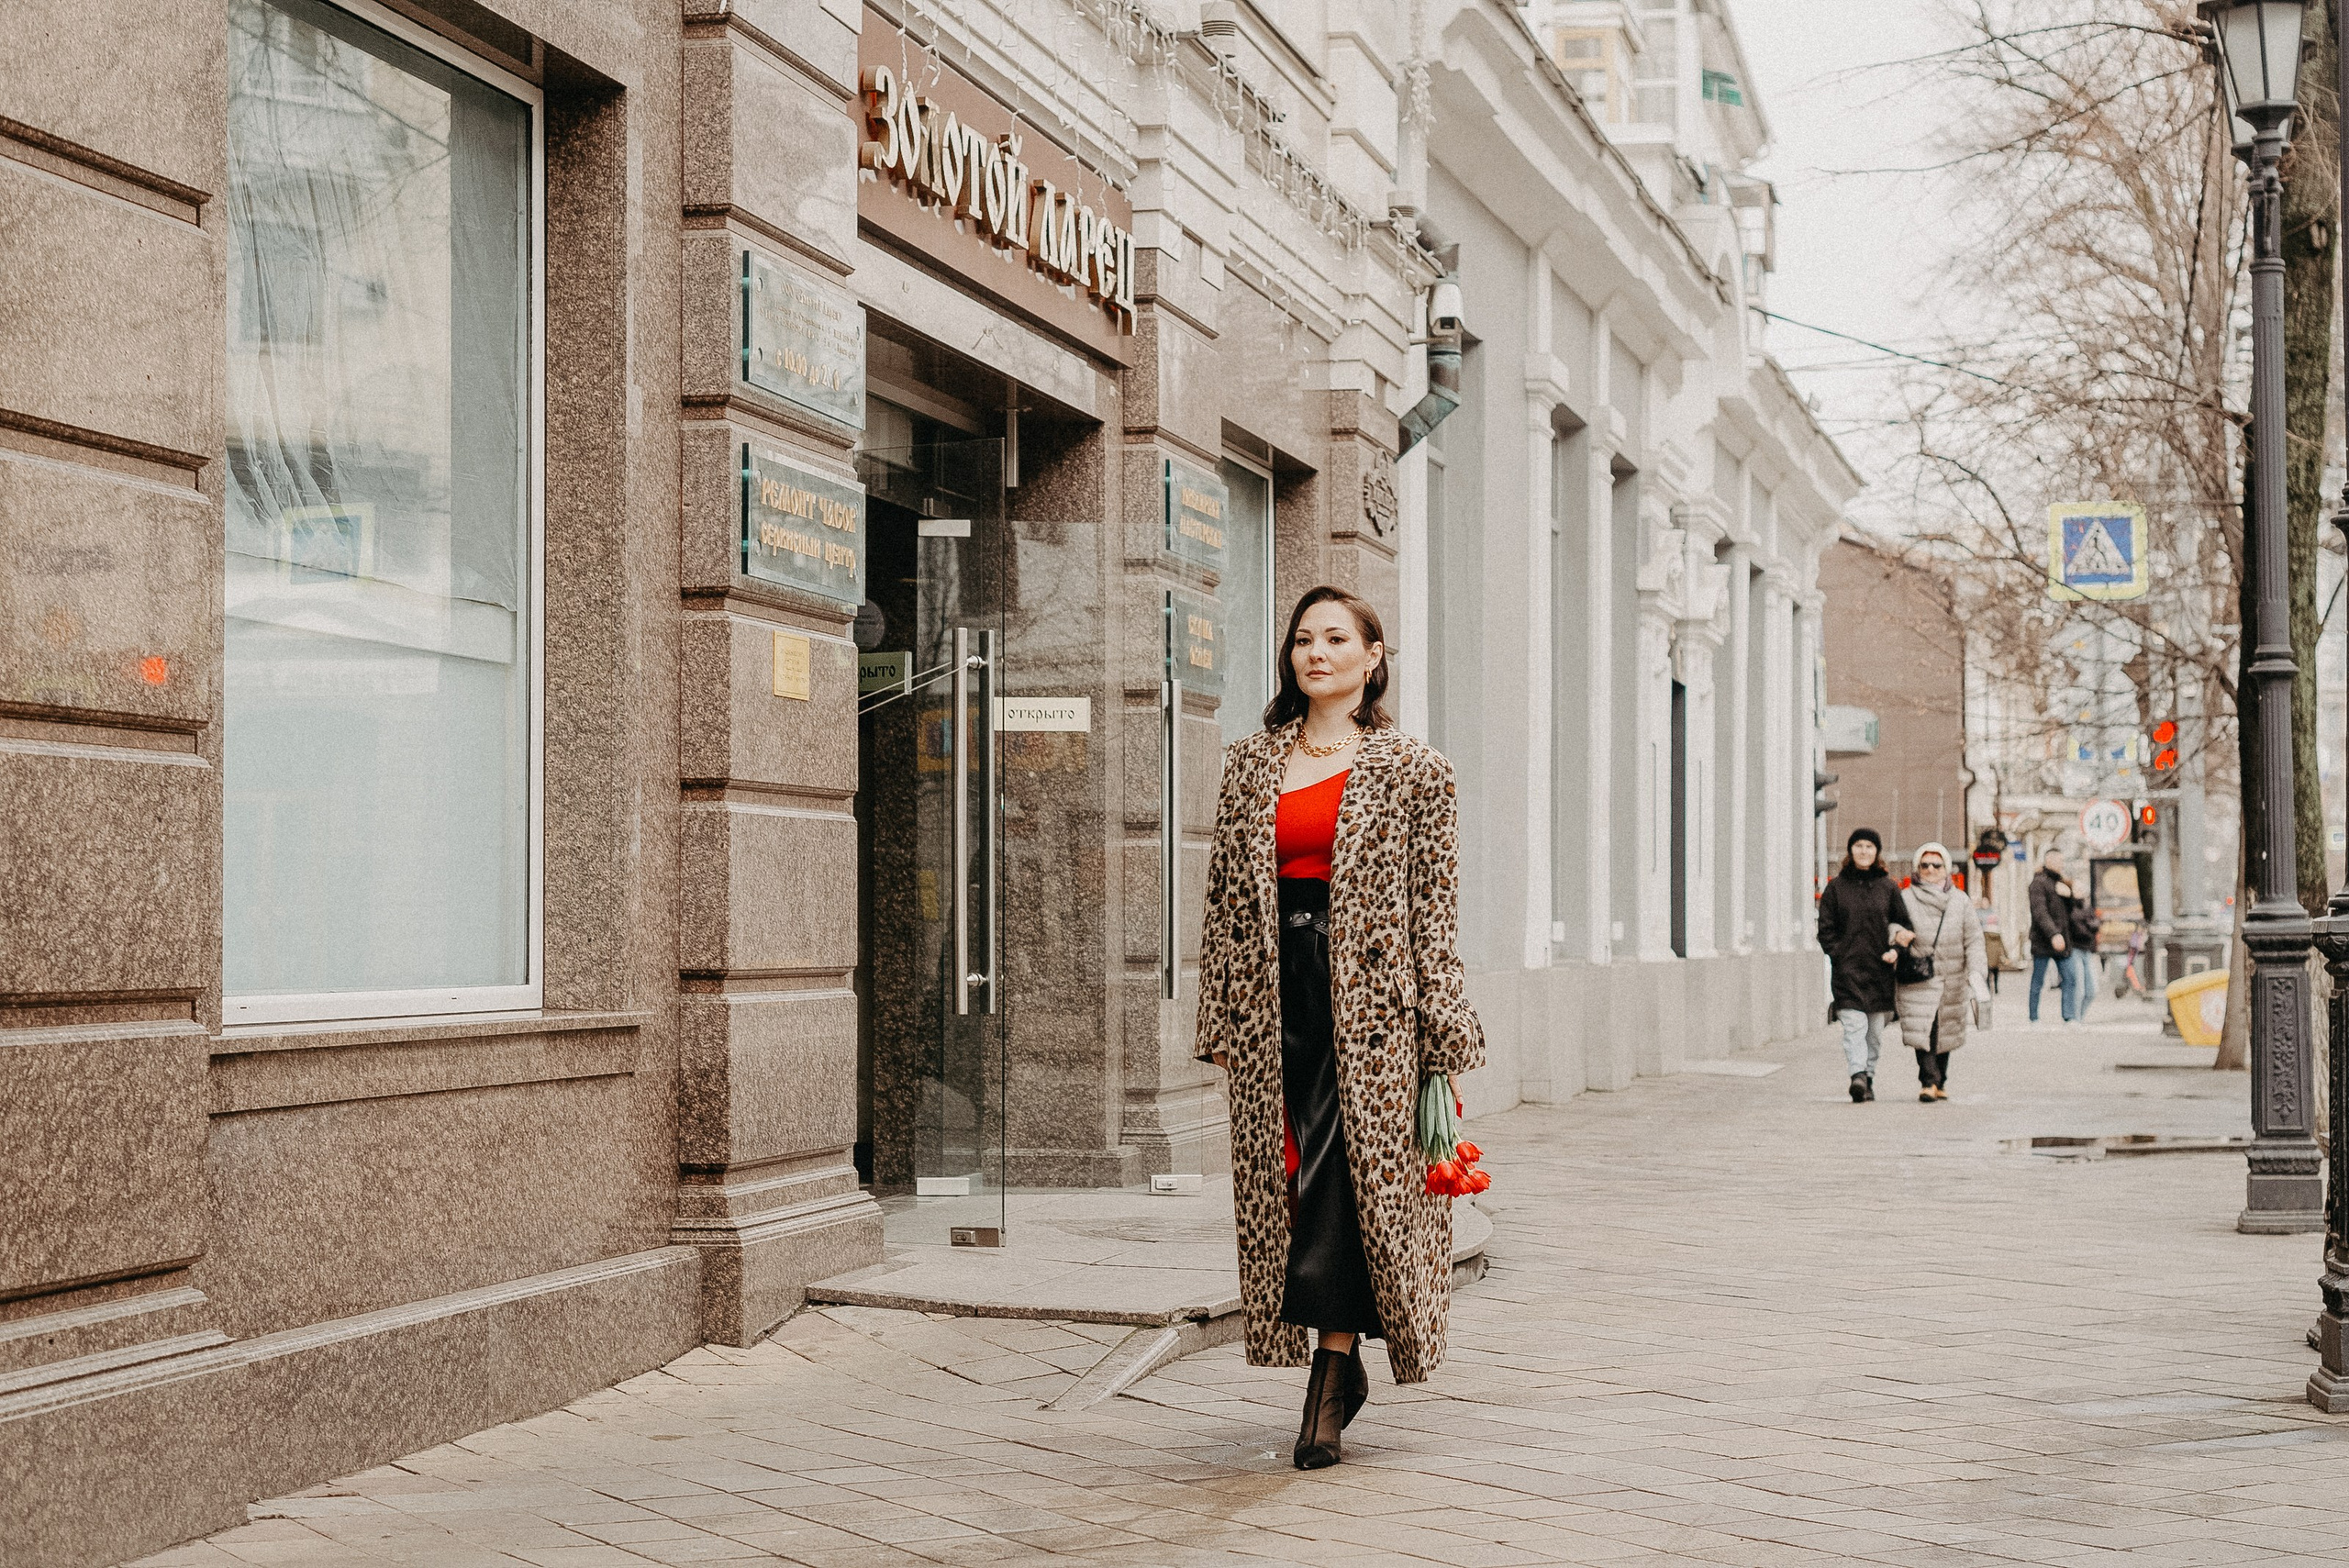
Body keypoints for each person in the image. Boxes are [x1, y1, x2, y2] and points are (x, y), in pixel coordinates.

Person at [1194, 584, 1484, 1471]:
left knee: (1345, 1182)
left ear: (1372, 655)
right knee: (1289, 1177)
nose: (1315, 653)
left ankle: (1329, 1376)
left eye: (1335, 639)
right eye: (1302, 640)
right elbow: (1223, 902)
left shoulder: (1414, 769)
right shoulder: (1250, 763)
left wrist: (1443, 1031)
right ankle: (1338, 1358)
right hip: (1271, 999)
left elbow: (1434, 911)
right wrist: (1218, 1015)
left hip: (1374, 1009)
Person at [1816, 827, 1915, 1103]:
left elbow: (1904, 926)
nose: (1863, 851)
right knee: (1854, 1027)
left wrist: (1896, 950)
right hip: (1847, 973)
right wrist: (1839, 954)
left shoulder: (1888, 887)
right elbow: (1825, 929)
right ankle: (1857, 1075)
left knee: (1874, 1034)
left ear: (1877, 852)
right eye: (1858, 846)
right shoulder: (1836, 888)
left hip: (1879, 972)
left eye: (1869, 847)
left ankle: (1868, 1076)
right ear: (1850, 850)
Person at [1893, 843, 1987, 1102]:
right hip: (1919, 975)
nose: (1931, 870)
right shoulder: (1905, 898)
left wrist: (1977, 972)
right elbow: (1891, 925)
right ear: (1917, 868)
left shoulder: (1960, 900)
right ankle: (1928, 1081)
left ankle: (1940, 1080)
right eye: (1925, 865)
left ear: (1946, 869)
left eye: (1937, 865)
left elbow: (1974, 939)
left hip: (1952, 977)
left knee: (1946, 1029)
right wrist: (1897, 934)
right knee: (1924, 1029)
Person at [2027, 851, 2080, 1024]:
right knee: (2038, 980)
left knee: (2070, 977)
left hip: (2063, 941)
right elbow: (2040, 912)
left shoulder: (2061, 883)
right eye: (2059, 860)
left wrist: (2069, 896)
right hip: (2043, 940)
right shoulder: (2038, 883)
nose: (2062, 864)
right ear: (2049, 861)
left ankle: (2069, 1016)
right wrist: (2053, 934)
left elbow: (2070, 912)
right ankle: (2034, 1018)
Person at [2067, 879, 2101, 1022]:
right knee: (2078, 987)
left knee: (2092, 989)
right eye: (2077, 889)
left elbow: (2096, 925)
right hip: (2075, 949)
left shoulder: (2088, 908)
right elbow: (2077, 927)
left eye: (2082, 889)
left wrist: (2088, 925)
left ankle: (2079, 1017)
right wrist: (2088, 925)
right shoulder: (2069, 907)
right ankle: (2075, 1019)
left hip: (2087, 950)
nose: (2080, 892)